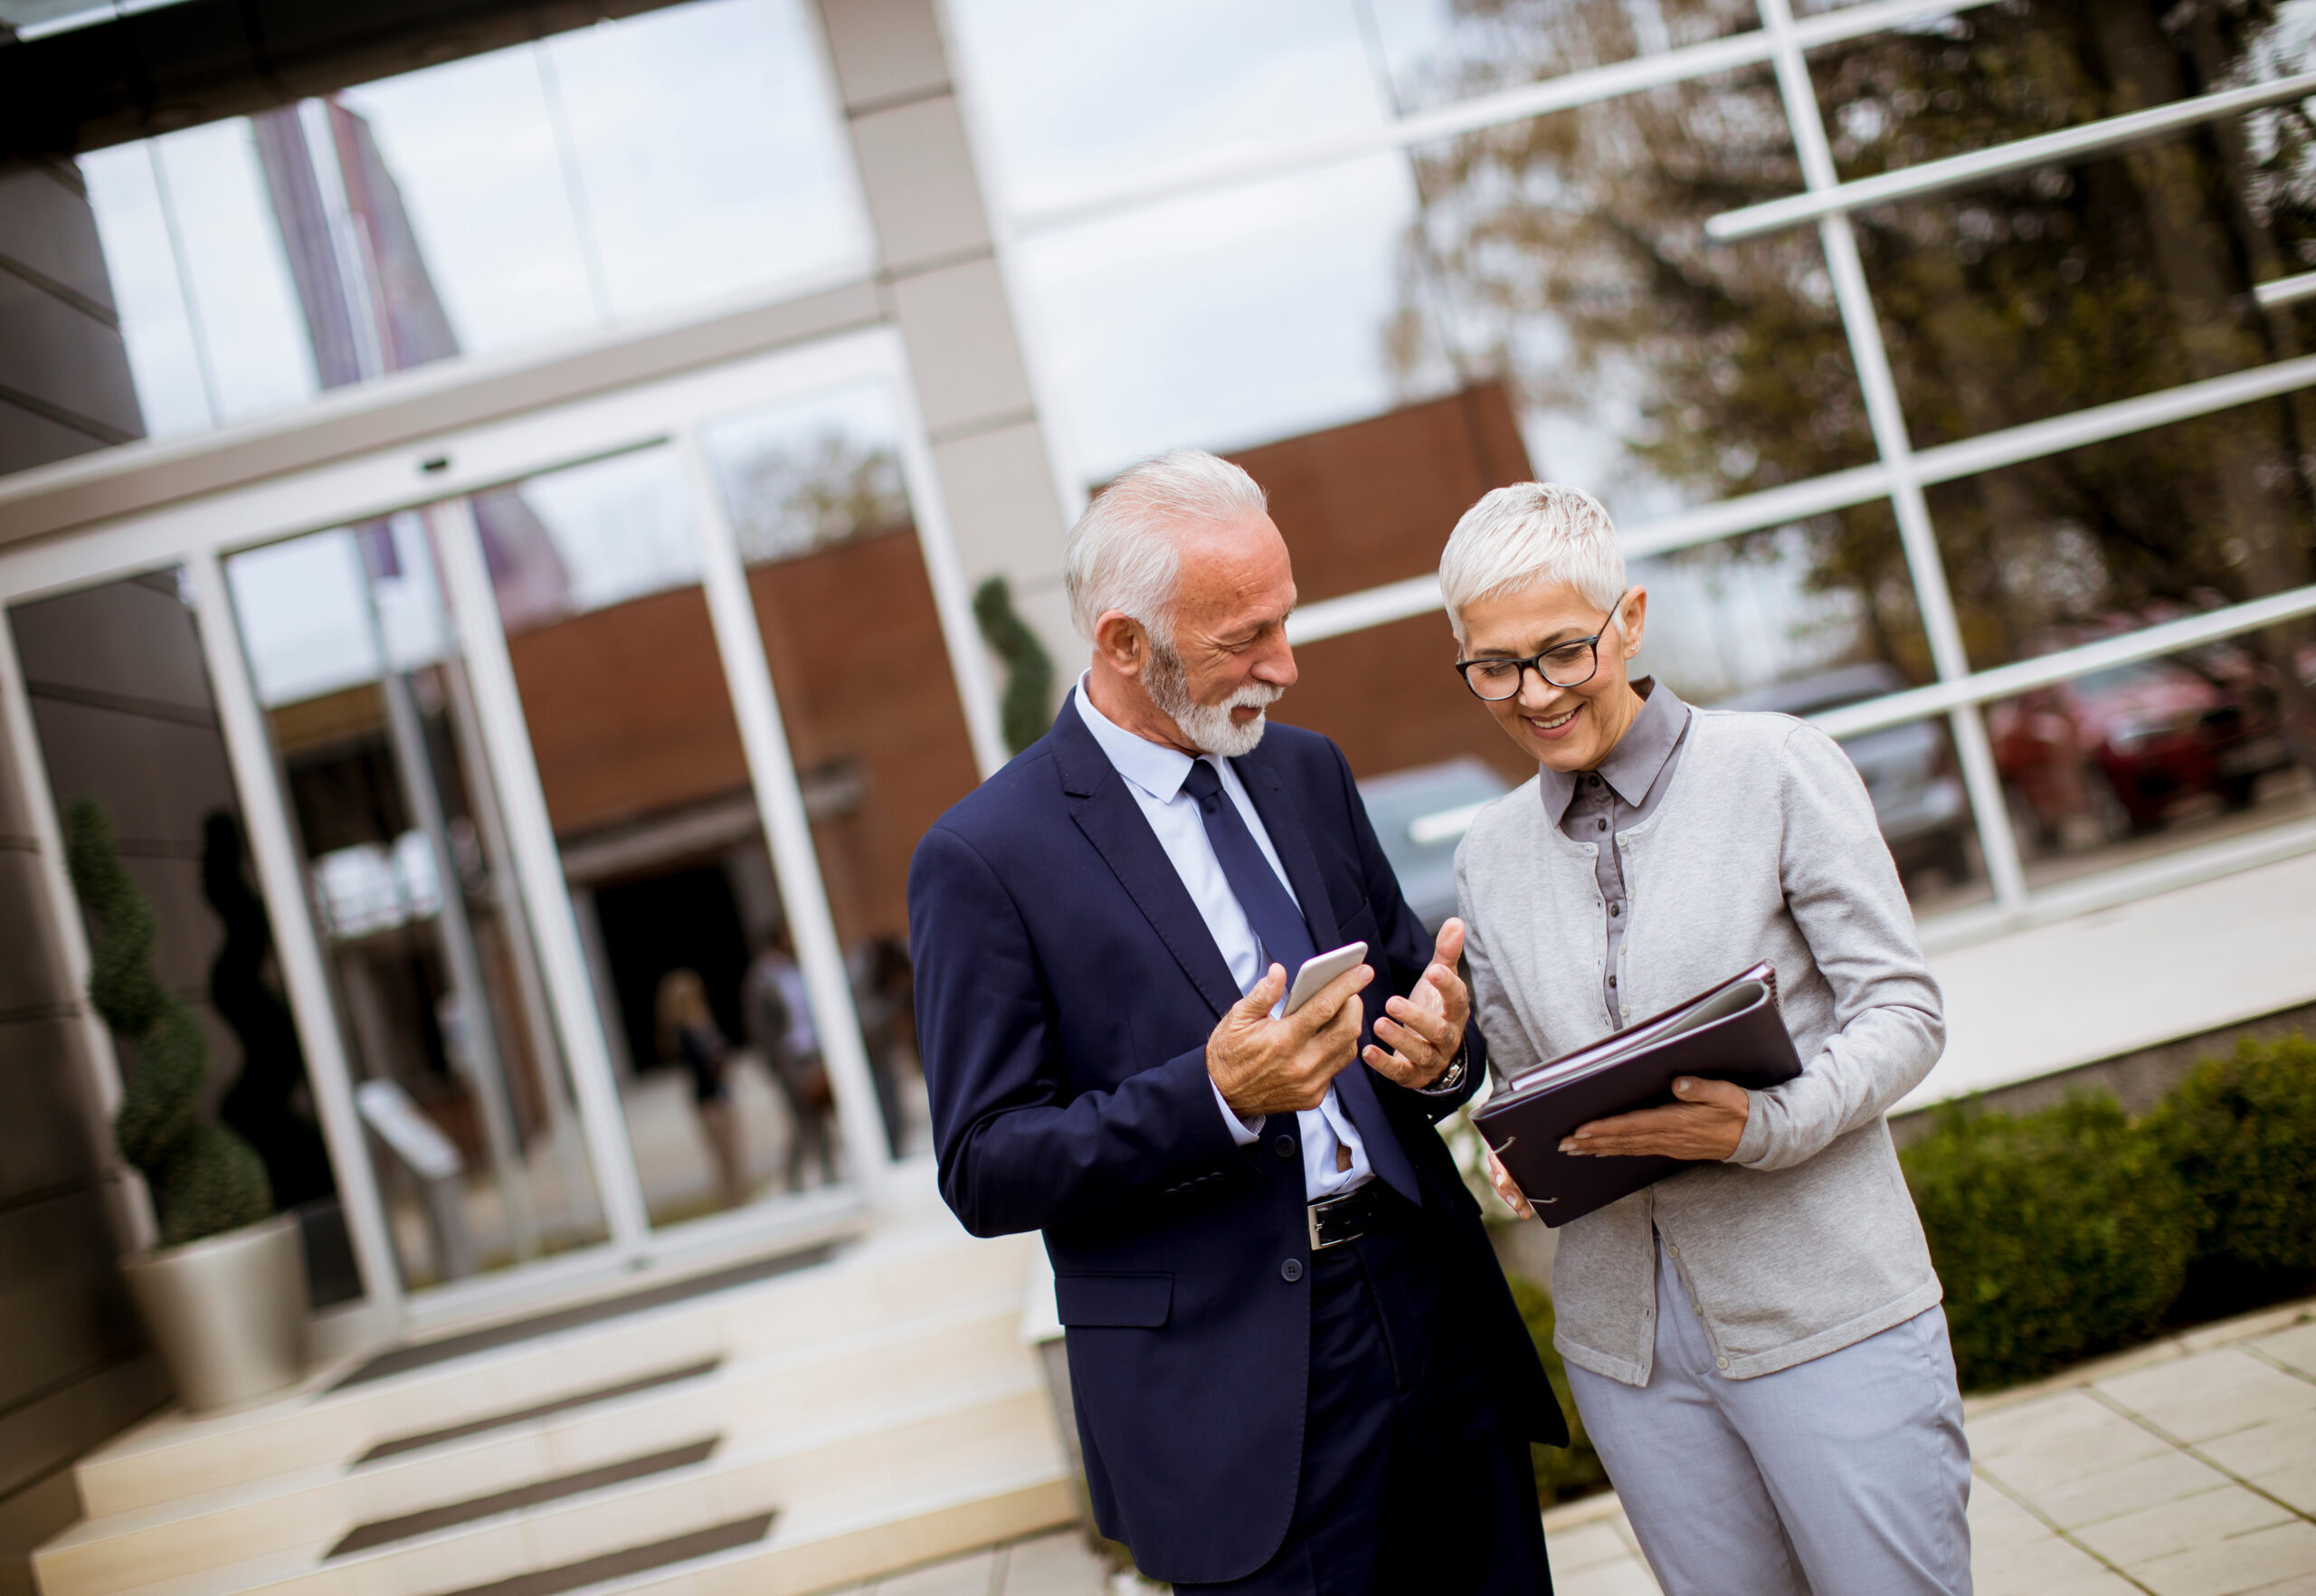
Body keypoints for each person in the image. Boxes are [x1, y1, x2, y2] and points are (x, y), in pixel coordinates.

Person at [909, 450, 1563, 1593]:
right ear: (1123, 643)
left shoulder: (1305, 773)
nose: (1285, 665)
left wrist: (1444, 1053)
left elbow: (1418, 1013)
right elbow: (984, 1162)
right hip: (1233, 1398)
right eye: (1240, 640)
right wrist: (1212, 1097)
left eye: (1284, 619)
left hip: (1427, 1308)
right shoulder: (983, 858)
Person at [1444, 483, 1970, 1595]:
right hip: (1627, 1355)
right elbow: (1521, 1077)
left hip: (1826, 1306)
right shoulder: (1486, 857)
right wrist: (1506, 1152)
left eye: (1562, 652)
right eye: (1494, 665)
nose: (1532, 695)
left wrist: (1765, 1125)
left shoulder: (1775, 769)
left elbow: (1903, 1010)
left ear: (1628, 622)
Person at [743, 926, 837, 1191]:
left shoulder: (798, 969)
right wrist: (774, 1065)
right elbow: (760, 1027)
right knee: (803, 1120)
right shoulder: (761, 979)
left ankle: (831, 1176)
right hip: (791, 1058)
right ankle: (794, 1180)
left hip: (815, 1052)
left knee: (822, 1113)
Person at [654, 967, 749, 1210]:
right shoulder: (683, 1032)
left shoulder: (704, 1022)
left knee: (735, 1152)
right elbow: (702, 1063)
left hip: (723, 1092)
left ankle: (740, 1198)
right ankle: (733, 1203)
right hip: (709, 1098)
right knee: (724, 1155)